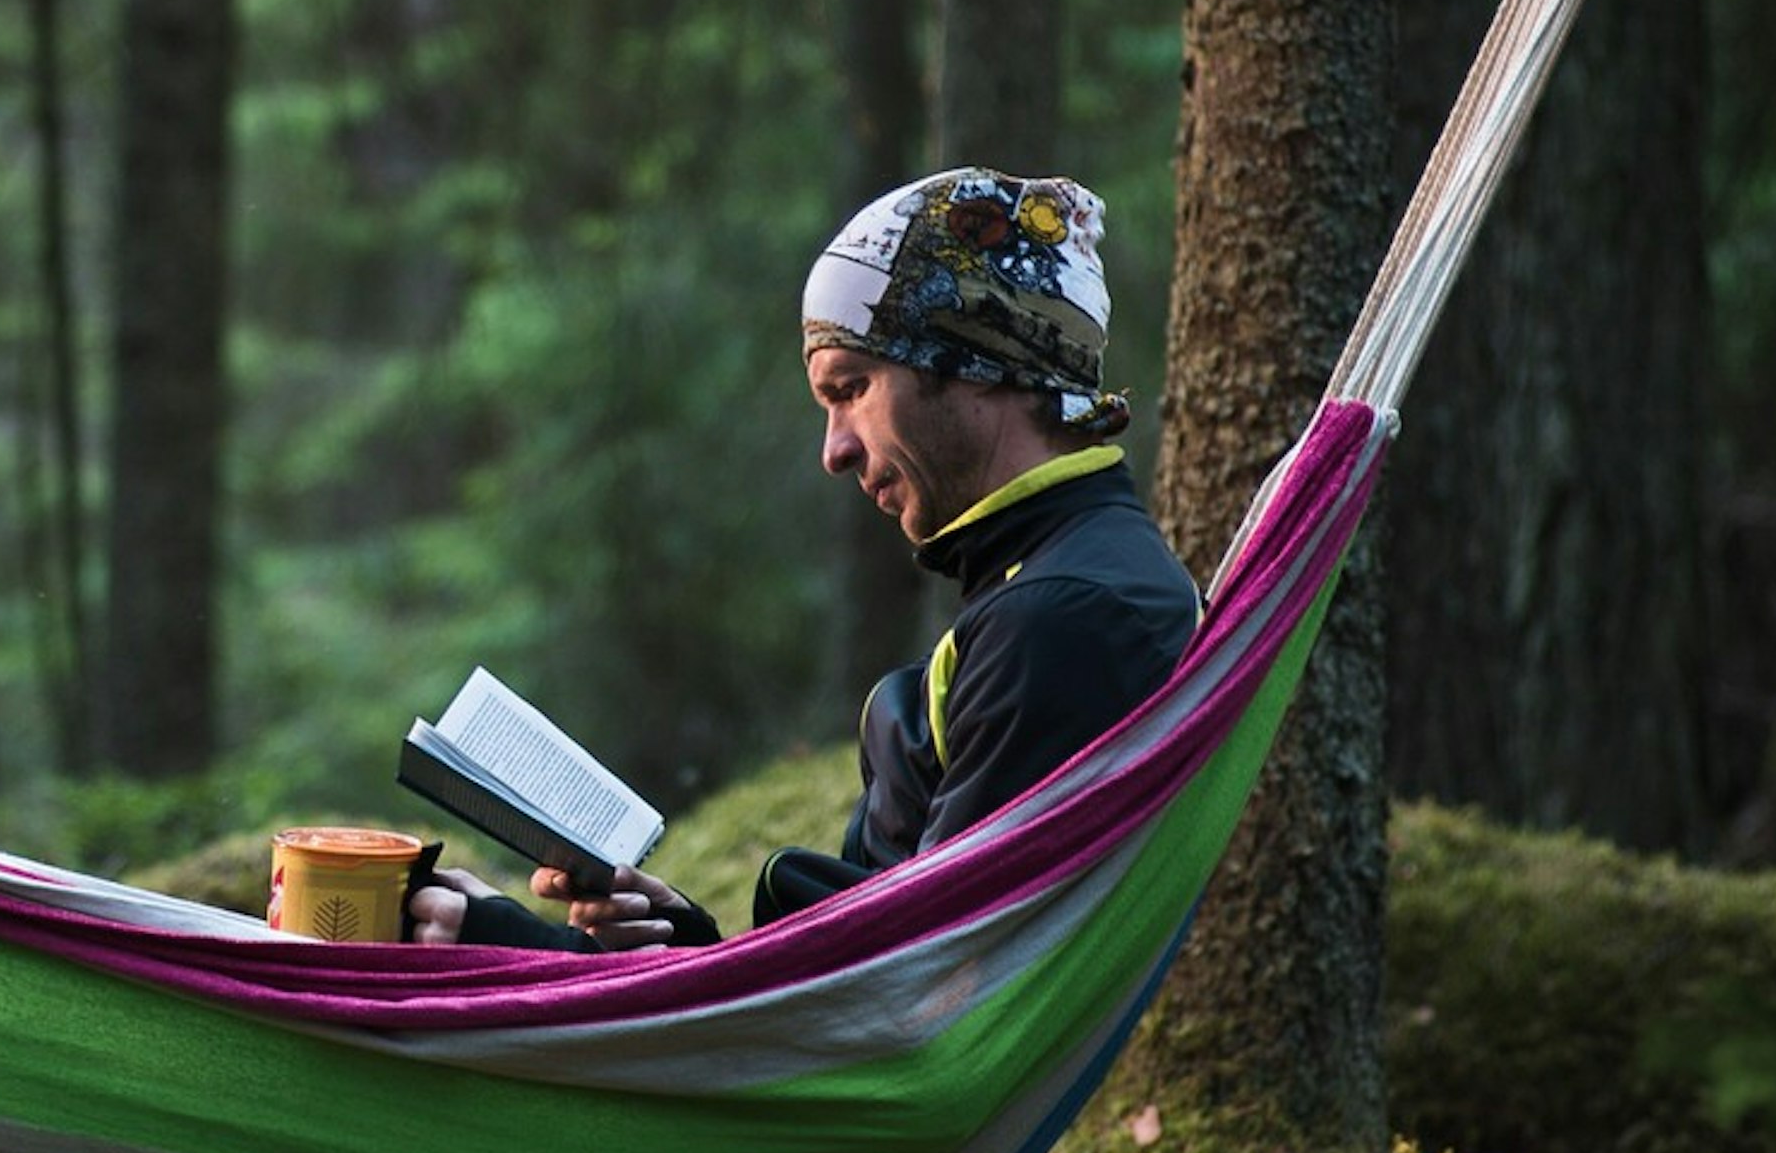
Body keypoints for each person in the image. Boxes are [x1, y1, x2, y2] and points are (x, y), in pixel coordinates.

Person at [407, 167, 1201, 951]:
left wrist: (516, 949)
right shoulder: (1070, 582)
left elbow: (911, 1001)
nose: (835, 450)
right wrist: (678, 941)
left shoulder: (1067, 617)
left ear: (976, 366)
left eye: (851, 387)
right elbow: (871, 984)